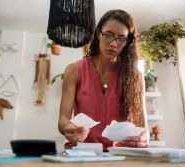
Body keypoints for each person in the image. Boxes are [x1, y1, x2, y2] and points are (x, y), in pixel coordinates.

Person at [58, 9, 149, 151]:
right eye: (109, 35)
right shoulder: (74, 70)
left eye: (121, 38)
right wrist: (69, 128)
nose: (113, 43)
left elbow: (144, 129)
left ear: (127, 42)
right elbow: (63, 119)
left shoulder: (135, 77)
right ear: (99, 34)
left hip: (119, 154)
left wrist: (143, 139)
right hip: (81, 152)